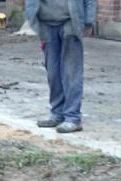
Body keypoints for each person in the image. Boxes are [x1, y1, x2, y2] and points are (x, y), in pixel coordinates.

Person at [24, 0, 96, 133]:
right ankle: (57, 114)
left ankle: (72, 118)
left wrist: (88, 21)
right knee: (53, 73)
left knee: (71, 73)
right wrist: (31, 18)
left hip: (71, 23)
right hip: (46, 25)